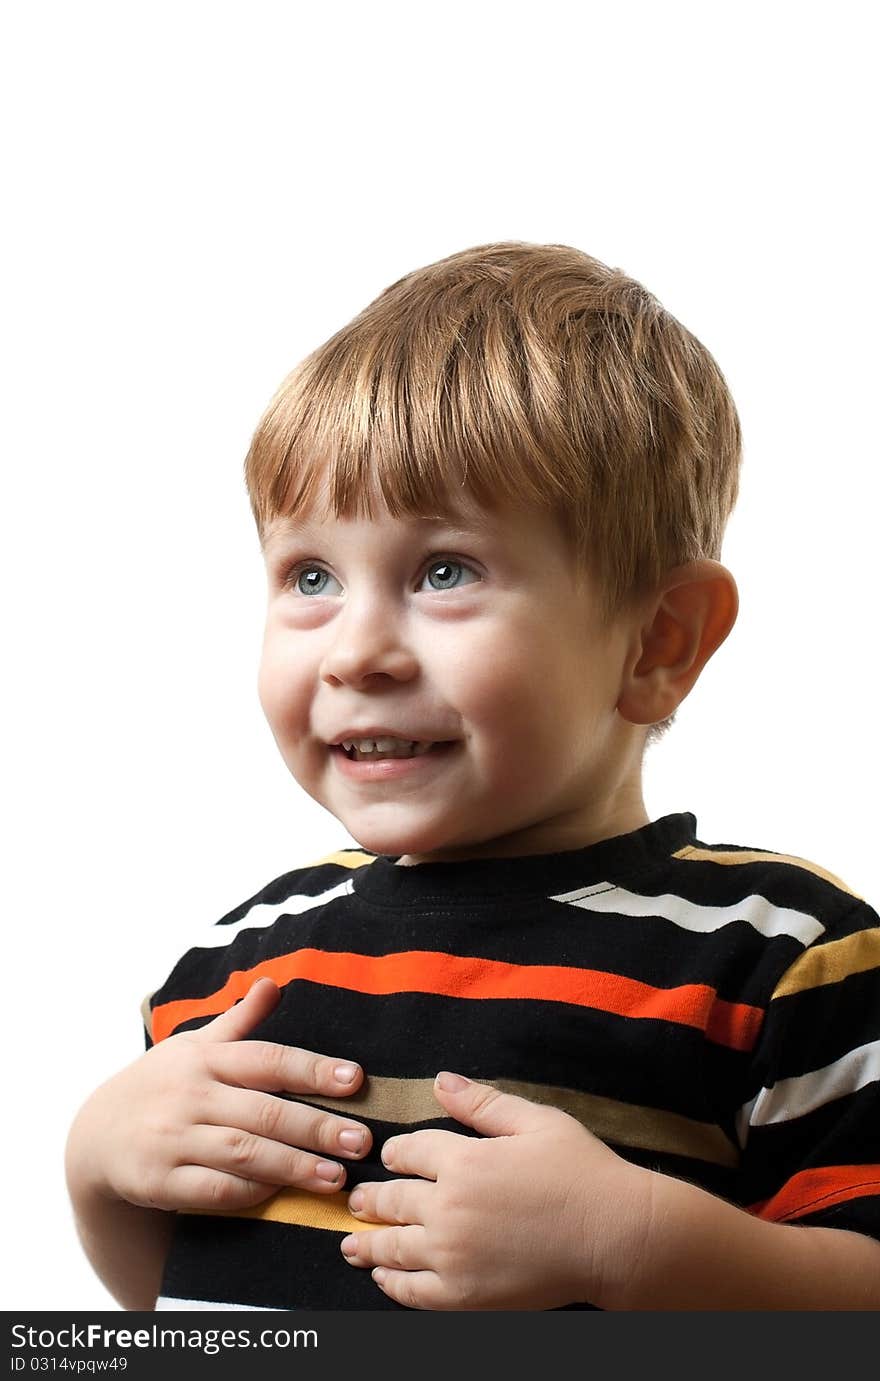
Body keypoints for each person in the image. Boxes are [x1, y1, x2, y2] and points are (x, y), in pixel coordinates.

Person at [65, 242, 880, 1312]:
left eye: (444, 571)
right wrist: (96, 1175)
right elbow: (192, 1311)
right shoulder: (230, 968)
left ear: (656, 642)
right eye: (310, 575)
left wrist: (636, 1243)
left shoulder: (780, 958)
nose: (355, 651)